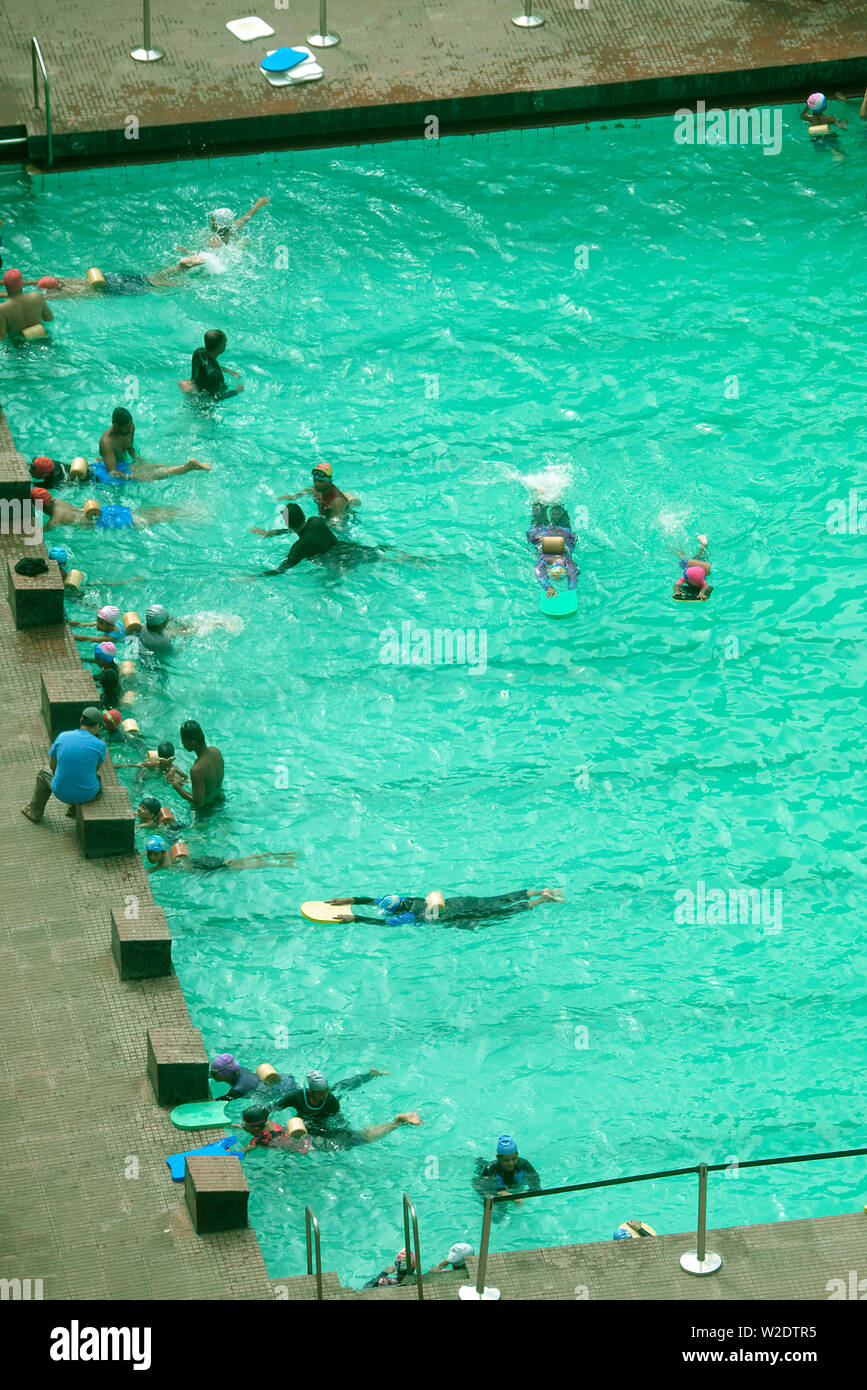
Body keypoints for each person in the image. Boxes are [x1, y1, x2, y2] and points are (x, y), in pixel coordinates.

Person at [326, 887, 564, 928]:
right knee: (497, 899)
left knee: (501, 914)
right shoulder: (407, 900)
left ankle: (543, 900)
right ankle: (540, 891)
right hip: (460, 902)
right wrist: (350, 899)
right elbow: (372, 900)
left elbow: (380, 922)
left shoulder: (407, 916)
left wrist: (355, 918)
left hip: (460, 915)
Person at [21, 706, 106, 823]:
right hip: (89, 795)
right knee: (93, 776)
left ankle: (34, 813)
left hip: (61, 793)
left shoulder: (63, 736)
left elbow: (52, 766)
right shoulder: (100, 745)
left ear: (81, 721)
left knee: (43, 774)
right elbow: (95, 769)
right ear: (97, 726)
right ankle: (73, 808)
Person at [96, 407, 211, 484]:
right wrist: (131, 477)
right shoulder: (107, 442)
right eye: (126, 427)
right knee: (150, 472)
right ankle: (186, 467)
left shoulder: (130, 427)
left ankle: (188, 467)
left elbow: (130, 446)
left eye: (131, 425)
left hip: (126, 465)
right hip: (120, 467)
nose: (130, 429)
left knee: (152, 472)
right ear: (116, 426)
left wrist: (137, 460)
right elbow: (112, 472)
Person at [1, 257, 206, 300]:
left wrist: (5, 292)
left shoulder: (63, 293)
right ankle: (178, 267)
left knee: (155, 287)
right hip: (113, 278)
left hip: (112, 289)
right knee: (151, 278)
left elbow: (28, 294)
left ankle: (188, 282)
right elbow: (30, 283)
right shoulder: (67, 280)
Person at [272, 1068, 390, 1130]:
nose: (325, 1095)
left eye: (326, 1090)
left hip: (323, 1119)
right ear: (311, 1092)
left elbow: (338, 1118)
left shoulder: (330, 1100)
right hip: (305, 1118)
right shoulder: (296, 1096)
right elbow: (274, 1107)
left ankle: (370, 1075)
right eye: (321, 1093)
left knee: (342, 1087)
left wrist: (346, 1130)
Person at [33, 488, 181, 532]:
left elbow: (38, 534)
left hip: (104, 521)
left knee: (149, 521)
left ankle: (186, 515)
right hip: (105, 510)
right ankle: (180, 510)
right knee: (143, 513)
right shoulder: (58, 501)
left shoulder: (54, 521)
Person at [144, 836, 297, 873]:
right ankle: (284, 854)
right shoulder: (169, 853)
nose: (150, 857)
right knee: (243, 860)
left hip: (204, 867)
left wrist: (146, 871)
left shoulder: (164, 863)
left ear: (162, 852)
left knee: (245, 865)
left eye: (153, 854)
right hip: (201, 861)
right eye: (149, 854)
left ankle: (283, 862)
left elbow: (151, 871)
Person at [164, 719, 224, 811]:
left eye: (183, 741)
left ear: (193, 743)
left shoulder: (197, 769)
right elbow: (208, 782)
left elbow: (199, 803)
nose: (182, 743)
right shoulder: (215, 751)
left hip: (207, 811)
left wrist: (176, 786)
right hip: (221, 800)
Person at [527, 501, 579, 598]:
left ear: (548, 568)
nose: (557, 562)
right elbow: (573, 573)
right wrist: (572, 588)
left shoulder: (546, 560)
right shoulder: (565, 560)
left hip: (546, 533)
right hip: (559, 532)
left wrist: (548, 587)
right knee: (556, 504)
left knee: (543, 504)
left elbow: (538, 569)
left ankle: (546, 495)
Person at [177, 200, 270, 253]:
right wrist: (259, 204)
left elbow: (207, 257)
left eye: (212, 220)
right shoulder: (234, 226)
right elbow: (248, 216)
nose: (210, 222)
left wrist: (187, 251)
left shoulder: (215, 240)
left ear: (218, 226)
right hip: (235, 248)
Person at [472, 1135, 540, 1205]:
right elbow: (483, 1190)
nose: (511, 1163)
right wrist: (506, 1194)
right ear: (498, 1158)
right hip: (488, 1174)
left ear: (517, 1155)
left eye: (514, 1159)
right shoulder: (490, 1169)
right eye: (506, 1160)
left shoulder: (524, 1165)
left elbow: (536, 1186)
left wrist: (522, 1195)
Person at [277, 463, 357, 521]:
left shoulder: (336, 502)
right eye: (315, 480)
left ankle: (350, 500)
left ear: (329, 482)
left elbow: (337, 521)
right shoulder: (318, 488)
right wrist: (293, 497)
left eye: (320, 481)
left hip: (338, 517)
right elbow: (308, 491)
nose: (316, 484)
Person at [179, 329, 243, 398]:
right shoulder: (215, 375)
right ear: (218, 347)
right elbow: (218, 396)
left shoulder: (199, 352)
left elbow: (211, 366)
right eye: (224, 341)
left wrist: (230, 371)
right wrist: (237, 391)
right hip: (203, 402)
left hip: (194, 386)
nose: (226, 342)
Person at [208, 1053, 296, 1101]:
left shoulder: (238, 1089)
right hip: (283, 1080)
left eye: (214, 1073)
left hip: (280, 1090)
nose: (211, 1075)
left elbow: (218, 1102)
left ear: (225, 1074)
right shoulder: (237, 1070)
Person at [0, 268, 54, 341]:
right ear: (21, 283)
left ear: (5, 285)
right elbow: (49, 318)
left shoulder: (2, 309)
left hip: (19, 345)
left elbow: (1, 337)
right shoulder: (36, 297)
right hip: (42, 339)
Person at [799, 93, 847, 157]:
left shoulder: (808, 117)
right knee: (836, 148)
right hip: (829, 135)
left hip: (815, 137)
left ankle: (831, 151)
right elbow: (841, 127)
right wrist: (844, 122)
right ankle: (835, 151)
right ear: (824, 107)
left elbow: (801, 116)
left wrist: (808, 107)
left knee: (820, 150)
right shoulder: (829, 118)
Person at [673, 535, 712, 602]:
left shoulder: (701, 582)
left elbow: (704, 588)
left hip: (694, 568)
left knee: (696, 557)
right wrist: (677, 591)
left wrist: (701, 594)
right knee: (698, 556)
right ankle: (704, 545)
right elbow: (676, 586)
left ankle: (704, 545)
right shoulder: (686, 577)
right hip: (690, 567)